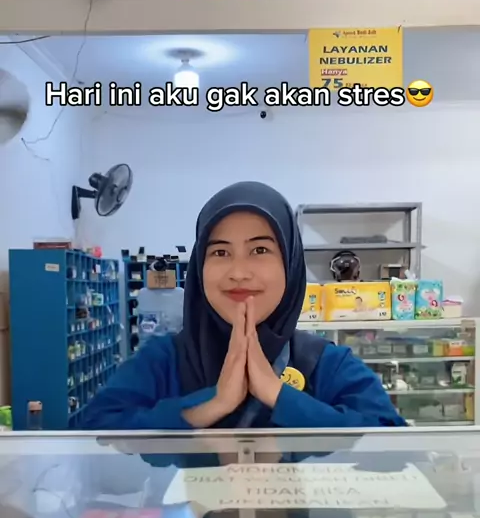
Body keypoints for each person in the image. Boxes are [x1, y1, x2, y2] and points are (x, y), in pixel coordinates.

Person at [79, 181, 405, 430]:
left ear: (289, 264)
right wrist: (212, 404)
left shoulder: (326, 364)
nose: (238, 272)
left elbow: (391, 446)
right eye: (220, 252)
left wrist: (277, 394)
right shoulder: (162, 360)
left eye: (260, 250)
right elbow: (89, 435)